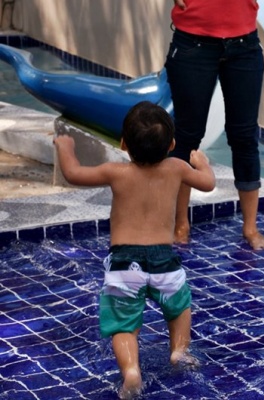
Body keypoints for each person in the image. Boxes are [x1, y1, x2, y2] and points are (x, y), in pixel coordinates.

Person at [54, 101, 216, 399]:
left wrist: (65, 147)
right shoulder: (177, 168)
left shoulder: (116, 172)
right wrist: (202, 162)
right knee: (179, 307)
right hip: (164, 260)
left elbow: (73, 174)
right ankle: (179, 351)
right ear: (172, 144)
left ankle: (131, 370)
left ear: (123, 144)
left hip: (124, 263)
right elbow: (208, 183)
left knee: (123, 325)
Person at [165, 0, 264, 250]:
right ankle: (180, 224)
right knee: (186, 137)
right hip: (192, 42)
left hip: (245, 44)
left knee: (244, 136)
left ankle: (250, 228)